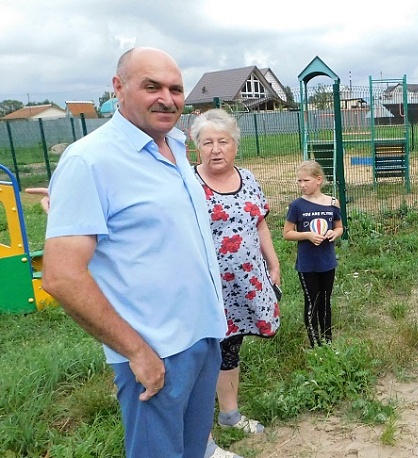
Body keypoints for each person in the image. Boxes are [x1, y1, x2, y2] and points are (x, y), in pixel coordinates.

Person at [42, 47, 226, 457]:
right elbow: (61, 275)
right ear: (118, 88)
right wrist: (136, 352)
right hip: (155, 354)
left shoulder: (176, 148)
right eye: (151, 86)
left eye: (176, 89)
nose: (167, 98)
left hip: (202, 338)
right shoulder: (90, 161)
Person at [191, 109, 281, 457]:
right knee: (201, 357)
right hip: (205, 289)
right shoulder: (188, 182)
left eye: (223, 141)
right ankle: (202, 437)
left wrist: (273, 264)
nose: (216, 149)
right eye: (207, 142)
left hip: (244, 285)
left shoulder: (249, 178)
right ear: (197, 147)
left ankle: (230, 414)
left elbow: (259, 225)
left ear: (235, 145)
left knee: (230, 350)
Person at [283, 160, 343, 347]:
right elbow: (287, 234)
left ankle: (328, 341)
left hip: (327, 262)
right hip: (307, 264)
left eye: (305, 180)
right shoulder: (297, 206)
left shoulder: (333, 203)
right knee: (312, 302)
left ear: (319, 180)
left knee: (326, 302)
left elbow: (340, 227)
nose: (302, 185)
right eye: (299, 181)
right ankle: (315, 343)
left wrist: (335, 233)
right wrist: (307, 235)